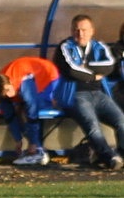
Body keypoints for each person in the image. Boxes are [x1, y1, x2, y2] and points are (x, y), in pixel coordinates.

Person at [53, 14, 124, 170]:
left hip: (99, 94)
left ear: (92, 31)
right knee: (92, 126)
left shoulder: (100, 47)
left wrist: (85, 67)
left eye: (84, 30)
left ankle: (122, 154)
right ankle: (110, 157)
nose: (80, 34)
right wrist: (93, 75)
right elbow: (71, 70)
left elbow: (109, 66)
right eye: (76, 30)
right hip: (76, 95)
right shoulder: (65, 47)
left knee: (121, 121)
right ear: (71, 31)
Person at [0, 57, 60, 166]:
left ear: (10, 83)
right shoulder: (0, 90)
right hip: (29, 80)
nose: (8, 95)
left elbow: (32, 110)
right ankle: (36, 148)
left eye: (8, 90)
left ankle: (37, 150)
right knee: (16, 109)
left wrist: (33, 142)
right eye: (4, 94)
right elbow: (9, 115)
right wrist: (17, 139)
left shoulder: (24, 83)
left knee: (28, 109)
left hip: (48, 78)